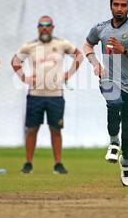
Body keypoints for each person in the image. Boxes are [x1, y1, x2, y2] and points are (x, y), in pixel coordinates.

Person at [83, 0, 128, 187]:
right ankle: (114, 143)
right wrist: (95, 64)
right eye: (116, 4)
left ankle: (126, 162)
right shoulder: (100, 28)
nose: (119, 8)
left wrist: (124, 50)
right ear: (110, 6)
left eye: (123, 5)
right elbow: (87, 46)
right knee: (113, 106)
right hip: (109, 80)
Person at [11, 15, 83, 174]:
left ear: (52, 27)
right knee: (32, 129)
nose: (44, 28)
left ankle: (58, 163)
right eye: (41, 25)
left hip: (55, 95)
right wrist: (24, 77)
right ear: (38, 28)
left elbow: (79, 55)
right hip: (35, 95)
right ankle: (28, 163)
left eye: (47, 25)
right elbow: (15, 61)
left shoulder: (61, 44)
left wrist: (68, 74)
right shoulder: (30, 46)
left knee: (55, 129)